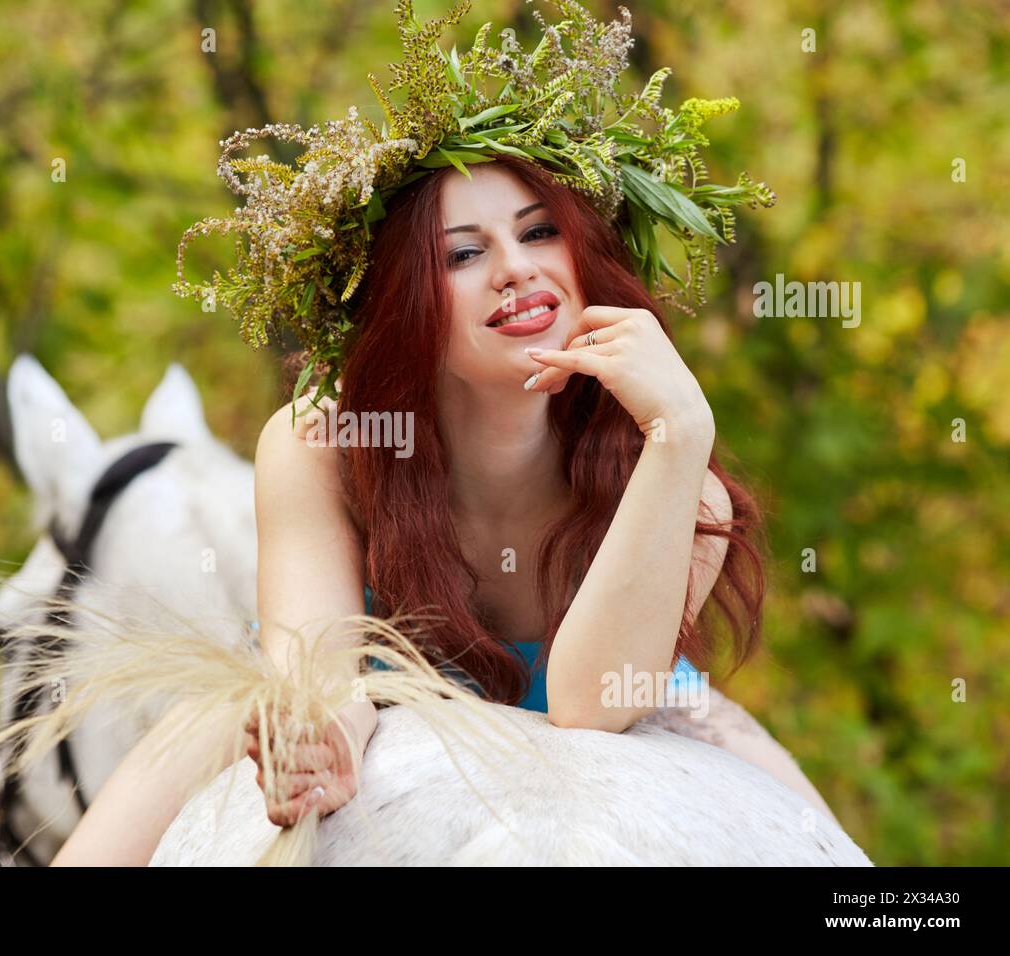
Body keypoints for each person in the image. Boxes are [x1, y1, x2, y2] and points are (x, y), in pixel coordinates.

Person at [51, 1, 835, 865]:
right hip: (372, 700)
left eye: (541, 233)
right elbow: (321, 665)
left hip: (640, 712)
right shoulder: (321, 446)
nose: (516, 268)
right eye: (463, 254)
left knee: (848, 866)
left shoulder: (683, 487)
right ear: (408, 307)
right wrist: (318, 738)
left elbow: (585, 709)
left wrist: (681, 431)